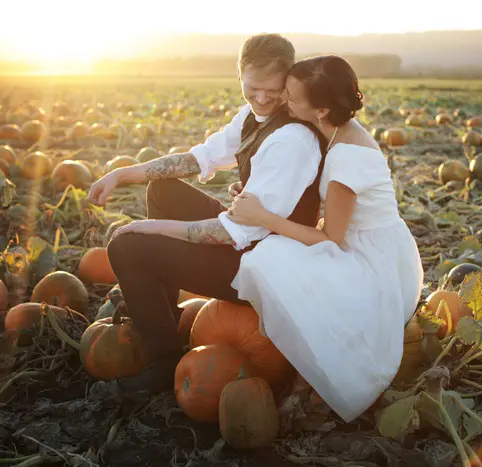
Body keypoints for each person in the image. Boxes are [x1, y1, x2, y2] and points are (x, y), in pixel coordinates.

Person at [86, 33, 327, 395]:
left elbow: (232, 233)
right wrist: (123, 174)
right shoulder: (253, 116)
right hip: (252, 241)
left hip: (268, 270)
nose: (261, 99)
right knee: (162, 190)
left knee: (127, 247)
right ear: (240, 78)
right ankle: (164, 319)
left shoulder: (292, 139)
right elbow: (199, 158)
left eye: (272, 90)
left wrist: (151, 228)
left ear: (289, 80)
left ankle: (164, 364)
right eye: (252, 88)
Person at [225, 55, 424, 423]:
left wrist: (262, 217)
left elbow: (330, 238)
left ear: (320, 110)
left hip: (376, 265)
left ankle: (316, 376)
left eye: (291, 96)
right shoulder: (334, 132)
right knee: (278, 253)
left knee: (269, 259)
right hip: (362, 242)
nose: (283, 100)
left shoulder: (347, 158)